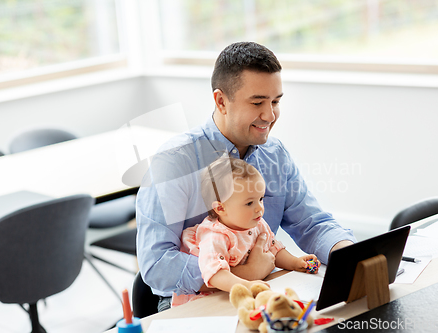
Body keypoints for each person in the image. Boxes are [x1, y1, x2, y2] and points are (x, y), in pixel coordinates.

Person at [136, 41, 356, 312]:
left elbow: (312, 223)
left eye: (276, 101)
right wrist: (245, 273)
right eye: (257, 102)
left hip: (260, 294)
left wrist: (352, 256)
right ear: (221, 101)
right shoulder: (173, 163)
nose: (270, 115)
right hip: (191, 303)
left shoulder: (274, 154)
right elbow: (157, 264)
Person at [171, 156, 320, 307]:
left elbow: (273, 248)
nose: (259, 208)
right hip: (209, 298)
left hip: (244, 291)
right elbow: (215, 274)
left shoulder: (256, 222)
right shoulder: (214, 236)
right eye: (249, 203)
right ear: (221, 208)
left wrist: (295, 262)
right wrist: (247, 285)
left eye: (260, 199)